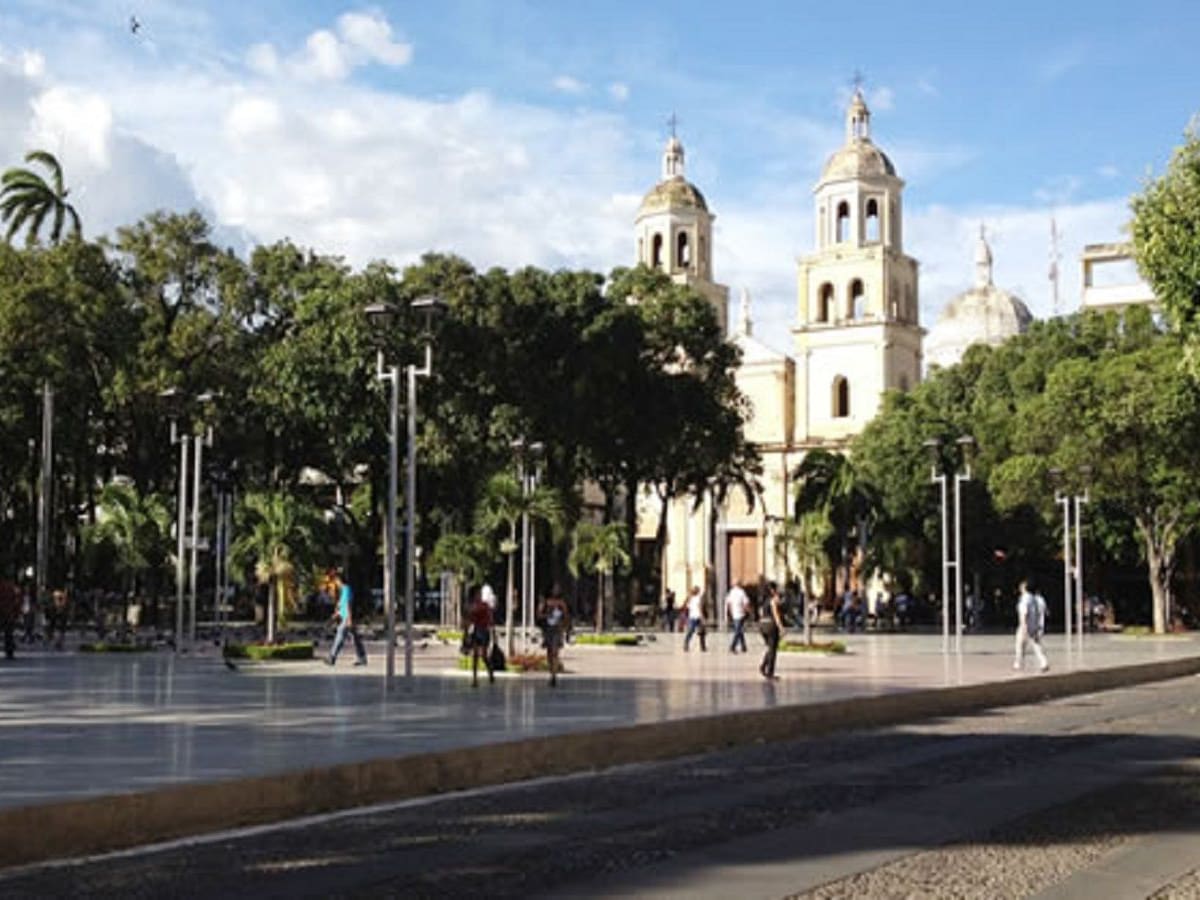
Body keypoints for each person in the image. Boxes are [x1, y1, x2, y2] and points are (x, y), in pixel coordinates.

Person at [326, 570, 367, 667]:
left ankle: (332, 657)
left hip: (347, 618)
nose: (335, 583)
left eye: (335, 581)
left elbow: (348, 604)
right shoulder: (343, 590)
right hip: (346, 617)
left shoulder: (346, 589)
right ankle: (362, 657)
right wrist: (335, 615)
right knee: (356, 638)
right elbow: (341, 606)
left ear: (339, 580)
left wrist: (349, 619)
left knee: (340, 636)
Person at [1013, 578, 1049, 673]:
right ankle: (1043, 662)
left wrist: (1023, 626)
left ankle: (1018, 663)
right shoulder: (1034, 599)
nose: (1020, 587)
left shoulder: (1024, 599)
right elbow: (1038, 612)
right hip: (1033, 625)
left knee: (1020, 644)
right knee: (1036, 645)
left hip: (1025, 625)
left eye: (1022, 586)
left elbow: (1023, 614)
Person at [539, 585, 571, 687]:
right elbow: (539, 614)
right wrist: (547, 615)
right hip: (548, 629)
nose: (556, 590)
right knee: (549, 652)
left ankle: (554, 675)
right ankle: (551, 672)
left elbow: (566, 616)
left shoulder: (562, 603)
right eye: (554, 588)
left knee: (555, 651)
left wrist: (566, 628)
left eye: (557, 588)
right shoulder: (545, 602)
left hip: (557, 629)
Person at [464, 586, 495, 686]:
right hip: (476, 630)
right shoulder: (471, 606)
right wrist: (466, 633)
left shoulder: (484, 605)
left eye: (480, 594)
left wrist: (492, 629)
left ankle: (490, 671)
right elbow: (468, 620)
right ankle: (475, 678)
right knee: (475, 655)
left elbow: (490, 619)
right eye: (478, 593)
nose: (480, 595)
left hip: (484, 631)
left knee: (483, 655)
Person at [759, 582, 785, 680]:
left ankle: (763, 666)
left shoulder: (764, 601)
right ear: (773, 590)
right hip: (771, 625)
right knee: (773, 649)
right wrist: (781, 627)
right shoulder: (773, 600)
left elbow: (761, 613)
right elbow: (776, 614)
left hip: (762, 625)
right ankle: (769, 672)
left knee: (770, 648)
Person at [725, 580, 751, 653]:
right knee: (738, 630)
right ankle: (733, 646)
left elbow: (729, 603)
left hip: (735, 613)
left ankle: (743, 646)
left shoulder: (731, 592)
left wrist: (730, 612)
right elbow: (746, 603)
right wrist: (748, 611)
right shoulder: (742, 592)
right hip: (740, 613)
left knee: (739, 629)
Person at [682, 585, 707, 652]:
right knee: (699, 632)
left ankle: (686, 644)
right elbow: (700, 608)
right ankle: (702, 647)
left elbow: (685, 606)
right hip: (697, 617)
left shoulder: (690, 598)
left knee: (694, 631)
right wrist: (702, 618)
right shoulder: (697, 598)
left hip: (693, 616)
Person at [0, 579, 20, 659]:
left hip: (5, 612)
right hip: (8, 613)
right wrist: (16, 613)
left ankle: (9, 651)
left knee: (8, 633)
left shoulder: (5, 587)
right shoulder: (11, 588)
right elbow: (16, 601)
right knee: (8, 634)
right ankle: (9, 652)